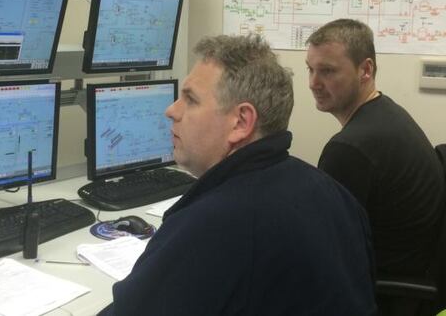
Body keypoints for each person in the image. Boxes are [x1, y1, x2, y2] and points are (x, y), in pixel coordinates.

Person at [99, 35, 376, 316]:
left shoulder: (215, 224)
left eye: (191, 99)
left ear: (241, 122)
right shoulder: (332, 193)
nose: (171, 110)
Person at [305, 19, 444, 280]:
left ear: (365, 70)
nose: (313, 82)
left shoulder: (350, 149)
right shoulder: (388, 113)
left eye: (327, 71)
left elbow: (325, 246)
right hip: (414, 274)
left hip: (383, 290)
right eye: (310, 69)